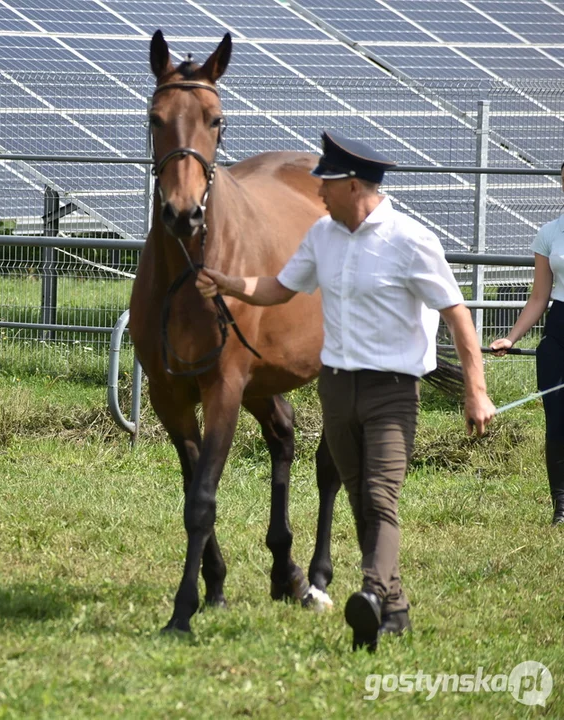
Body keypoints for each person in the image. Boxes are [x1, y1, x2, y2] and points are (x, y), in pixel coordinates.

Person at [195, 131, 496, 652]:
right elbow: (278, 288)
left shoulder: (410, 239)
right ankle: (396, 610)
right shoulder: (322, 237)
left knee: (381, 497)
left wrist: (476, 388)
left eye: (325, 186)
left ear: (354, 186)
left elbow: (455, 313)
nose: (317, 195)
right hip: (336, 388)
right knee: (360, 499)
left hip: (390, 391)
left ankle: (373, 597)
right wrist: (227, 282)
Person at [489, 161, 564, 526]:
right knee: (557, 423)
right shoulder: (549, 232)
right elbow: (539, 296)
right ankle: (561, 508)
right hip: (559, 331)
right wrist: (511, 336)